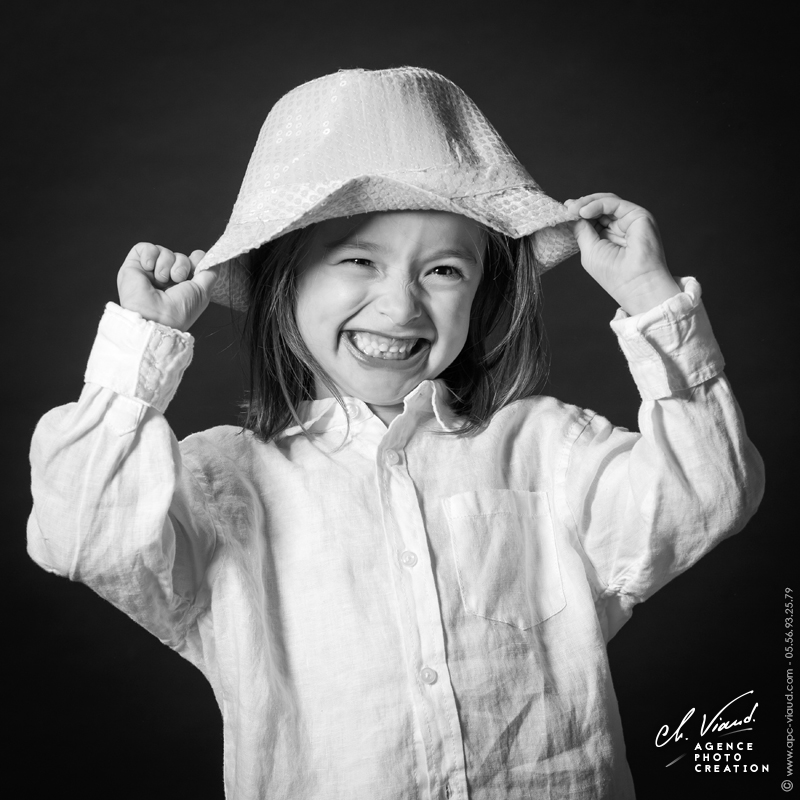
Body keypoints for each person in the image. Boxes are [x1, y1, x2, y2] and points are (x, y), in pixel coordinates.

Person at [27, 67, 764, 799]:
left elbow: (712, 493)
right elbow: (84, 534)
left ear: (483, 294)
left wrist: (649, 296)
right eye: (357, 259)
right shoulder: (225, 484)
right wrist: (141, 348)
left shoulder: (548, 450)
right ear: (284, 283)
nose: (399, 303)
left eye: (444, 269)